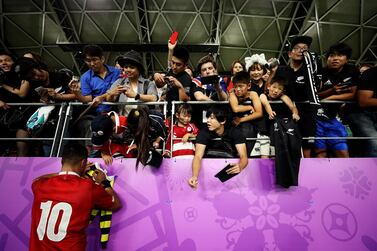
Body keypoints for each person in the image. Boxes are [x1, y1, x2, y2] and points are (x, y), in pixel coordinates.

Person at [29, 143, 121, 250]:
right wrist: (104, 182)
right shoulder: (87, 187)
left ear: (62, 161)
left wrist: (64, 173)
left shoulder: (40, 186)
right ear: (83, 163)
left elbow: (37, 179)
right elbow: (116, 204)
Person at [272, 35, 323, 157]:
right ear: (290, 53)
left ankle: (306, 172)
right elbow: (273, 89)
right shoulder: (281, 70)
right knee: (288, 144)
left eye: (305, 48)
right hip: (286, 112)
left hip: (307, 112)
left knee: (307, 145)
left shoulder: (310, 70)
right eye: (297, 48)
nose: (301, 51)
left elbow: (318, 87)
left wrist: (314, 68)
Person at [188, 104, 248, 189]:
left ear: (223, 121)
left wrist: (240, 166)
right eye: (208, 117)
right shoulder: (203, 132)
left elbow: (244, 156)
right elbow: (197, 156)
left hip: (230, 179)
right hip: (209, 175)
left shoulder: (235, 132)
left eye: (212, 118)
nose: (208, 121)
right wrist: (194, 176)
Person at [315, 43, 359, 158]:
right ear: (327, 58)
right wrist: (331, 92)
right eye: (332, 55)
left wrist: (329, 97)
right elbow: (314, 96)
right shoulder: (319, 73)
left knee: (343, 152)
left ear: (347, 59)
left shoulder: (352, 71)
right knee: (320, 153)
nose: (335, 58)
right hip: (315, 118)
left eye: (340, 55)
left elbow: (353, 94)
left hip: (332, 119)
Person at [91, 107, 167, 166]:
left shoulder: (130, 125)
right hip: (116, 156)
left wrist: (140, 146)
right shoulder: (101, 123)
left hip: (135, 157)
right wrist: (104, 153)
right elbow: (99, 145)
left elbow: (162, 136)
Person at [98, 50, 158, 116]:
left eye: (132, 67)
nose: (128, 70)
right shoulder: (120, 82)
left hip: (141, 121)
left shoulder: (148, 83)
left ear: (139, 69)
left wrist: (136, 95)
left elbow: (154, 98)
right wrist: (112, 94)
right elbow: (110, 99)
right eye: (126, 67)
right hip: (122, 120)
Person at [229, 71, 263, 155]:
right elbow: (235, 109)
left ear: (249, 86)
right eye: (236, 86)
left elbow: (259, 113)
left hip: (249, 127)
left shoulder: (253, 94)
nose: (238, 89)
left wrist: (241, 120)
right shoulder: (232, 94)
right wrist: (249, 107)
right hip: (235, 126)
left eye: (241, 86)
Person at [346, 67, 377, 157]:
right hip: (360, 113)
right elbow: (364, 101)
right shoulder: (370, 73)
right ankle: (372, 170)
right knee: (374, 141)